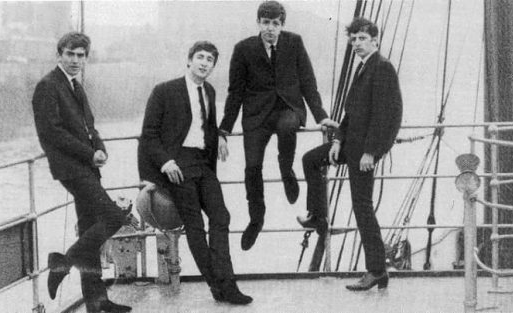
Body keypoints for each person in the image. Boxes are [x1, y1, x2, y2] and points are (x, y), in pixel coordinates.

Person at [137, 41, 253, 305]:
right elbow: (149, 135)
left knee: (221, 216)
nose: (204, 63)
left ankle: (224, 282)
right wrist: (166, 162)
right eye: (200, 57)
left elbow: (207, 126)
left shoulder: (209, 91)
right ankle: (222, 285)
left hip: (202, 162)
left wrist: (221, 136)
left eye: (210, 60)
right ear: (189, 60)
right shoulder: (165, 91)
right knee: (195, 225)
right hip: (177, 165)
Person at [219, 0, 339, 251]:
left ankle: (287, 172)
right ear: (258, 23)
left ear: (282, 25)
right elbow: (235, 92)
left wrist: (321, 116)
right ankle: (256, 217)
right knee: (252, 166)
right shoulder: (243, 49)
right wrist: (224, 130)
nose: (270, 28)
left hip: (288, 108)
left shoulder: (294, 42)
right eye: (266, 23)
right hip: (256, 115)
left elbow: (308, 82)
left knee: (287, 128)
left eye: (275, 23)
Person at [297, 17, 403, 291]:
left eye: (362, 39)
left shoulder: (382, 68)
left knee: (362, 208)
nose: (356, 44)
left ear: (375, 40)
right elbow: (350, 115)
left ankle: (377, 270)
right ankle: (318, 215)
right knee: (311, 159)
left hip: (364, 152)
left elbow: (388, 117)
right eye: (353, 39)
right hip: (349, 145)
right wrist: (337, 141)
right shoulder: (363, 68)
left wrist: (372, 153)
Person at [32, 32, 131, 312]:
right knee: (113, 217)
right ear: (59, 55)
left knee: (89, 227)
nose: (76, 60)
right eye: (70, 54)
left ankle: (97, 302)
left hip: (87, 166)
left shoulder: (75, 85)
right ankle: (61, 263)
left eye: (81, 55)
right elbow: (52, 133)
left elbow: (90, 127)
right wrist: (89, 153)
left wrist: (99, 148)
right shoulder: (48, 86)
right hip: (71, 168)